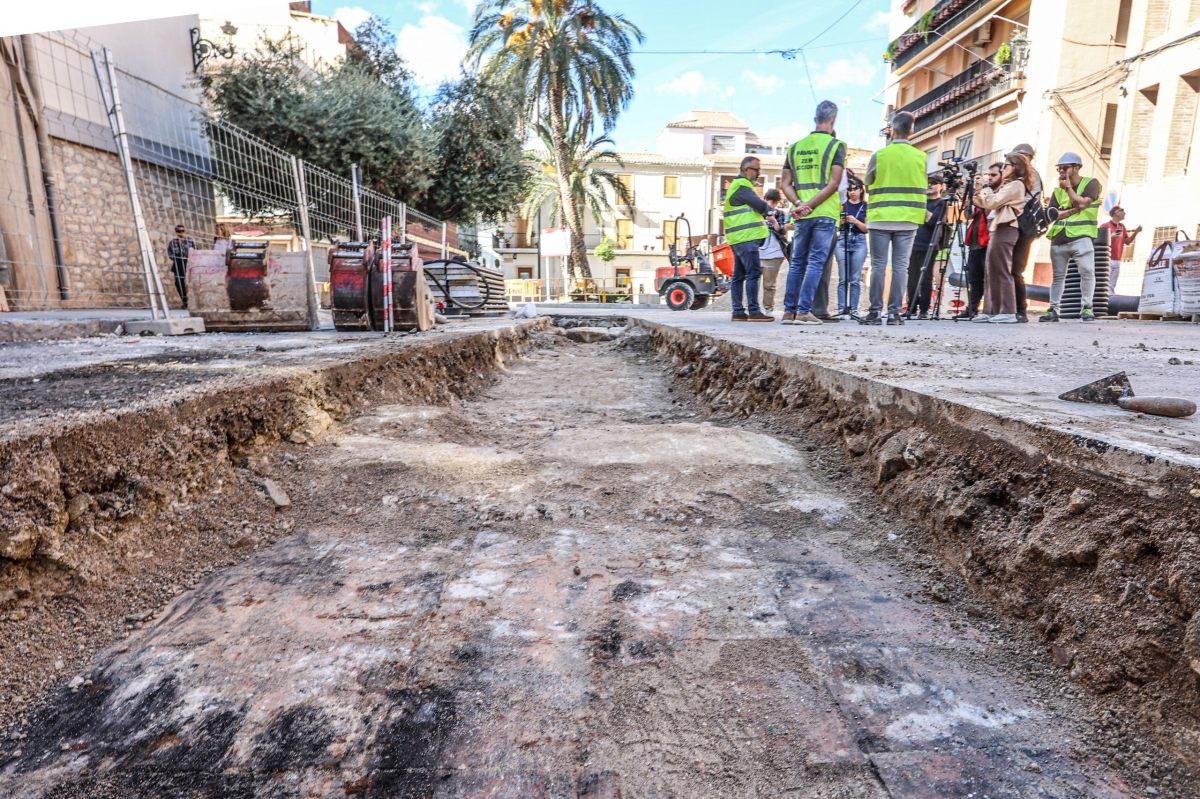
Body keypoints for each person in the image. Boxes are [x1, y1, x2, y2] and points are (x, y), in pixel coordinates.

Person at [780, 100, 846, 326]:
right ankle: (804, 311)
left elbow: (785, 184)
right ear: (833, 120)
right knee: (816, 262)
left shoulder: (795, 147)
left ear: (815, 119)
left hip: (801, 214)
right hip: (824, 213)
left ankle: (789, 312)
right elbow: (834, 183)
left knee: (797, 262)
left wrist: (800, 203)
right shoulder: (836, 146)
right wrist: (812, 205)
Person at [860, 111, 928, 326]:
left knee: (879, 265)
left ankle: (874, 312)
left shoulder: (879, 156)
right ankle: (894, 314)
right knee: (901, 267)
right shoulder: (921, 157)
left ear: (893, 130)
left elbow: (868, 181)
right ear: (912, 130)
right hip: (908, 218)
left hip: (881, 216)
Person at [971, 153, 1033, 324]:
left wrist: (984, 187)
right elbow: (984, 203)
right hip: (999, 228)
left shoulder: (1016, 185)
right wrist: (979, 190)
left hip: (1006, 228)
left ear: (1016, 167)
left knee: (1002, 270)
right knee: (991, 270)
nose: (1003, 168)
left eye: (1007, 165)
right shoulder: (1008, 185)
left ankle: (1007, 310)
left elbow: (992, 203)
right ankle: (991, 310)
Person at [1043, 152, 1101, 322]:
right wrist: (1073, 209)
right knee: (1058, 276)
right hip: (1059, 238)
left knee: (1088, 272)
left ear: (1076, 168)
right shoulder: (1057, 191)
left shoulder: (1090, 183)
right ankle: (1053, 309)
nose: (1062, 171)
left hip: (1081, 237)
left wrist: (1069, 189)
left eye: (1066, 168)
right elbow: (1052, 214)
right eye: (1059, 169)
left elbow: (1083, 203)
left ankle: (1087, 308)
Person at [723, 156, 774, 322]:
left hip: (738, 238)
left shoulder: (737, 186)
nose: (759, 173)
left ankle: (738, 312)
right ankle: (754, 311)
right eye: (756, 170)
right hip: (746, 237)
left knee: (739, 275)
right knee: (753, 273)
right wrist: (768, 209)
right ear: (746, 170)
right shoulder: (742, 185)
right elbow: (760, 206)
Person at [955, 163, 1000, 320]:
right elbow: (968, 215)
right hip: (975, 240)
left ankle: (990, 308)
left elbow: (988, 210)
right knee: (974, 277)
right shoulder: (981, 193)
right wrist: (972, 193)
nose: (989, 178)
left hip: (987, 239)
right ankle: (973, 308)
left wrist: (981, 190)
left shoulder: (995, 193)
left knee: (987, 277)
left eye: (993, 175)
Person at [1006, 143, 1042, 322]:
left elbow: (1025, 200)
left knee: (1016, 269)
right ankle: (1010, 307)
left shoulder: (1031, 176)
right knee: (1008, 268)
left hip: (1024, 226)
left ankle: (1020, 309)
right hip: (1016, 224)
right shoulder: (1014, 179)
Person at [904, 174, 948, 319]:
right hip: (913, 242)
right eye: (928, 183)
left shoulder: (941, 203)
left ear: (942, 186)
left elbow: (932, 221)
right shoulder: (921, 201)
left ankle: (923, 309)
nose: (930, 185)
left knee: (926, 277)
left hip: (929, 244)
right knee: (912, 277)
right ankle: (911, 307)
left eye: (934, 183)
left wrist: (920, 206)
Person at [835, 177, 868, 317]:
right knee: (843, 278)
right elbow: (834, 227)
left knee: (855, 278)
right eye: (850, 189)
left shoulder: (866, 206)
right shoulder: (842, 205)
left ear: (861, 190)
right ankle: (841, 309)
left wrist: (855, 221)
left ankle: (854, 309)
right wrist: (841, 222)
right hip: (843, 239)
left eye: (855, 189)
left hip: (859, 240)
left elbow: (867, 228)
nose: (852, 192)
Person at [759, 188, 790, 312]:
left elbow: (782, 231)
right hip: (757, 252)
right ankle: (753, 308)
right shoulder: (757, 212)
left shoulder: (780, 214)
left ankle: (768, 308)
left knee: (769, 284)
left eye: (774, 203)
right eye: (770, 202)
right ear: (765, 200)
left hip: (774, 253)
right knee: (753, 282)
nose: (771, 205)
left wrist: (774, 221)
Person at [1100, 206, 1142, 293]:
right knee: (1104, 283)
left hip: (1117, 259)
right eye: (1122, 211)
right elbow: (1099, 240)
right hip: (1107, 259)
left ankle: (1110, 301)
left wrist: (1136, 232)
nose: (1124, 213)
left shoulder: (1122, 227)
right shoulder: (1105, 226)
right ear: (1116, 213)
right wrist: (1111, 237)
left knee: (1112, 284)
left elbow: (1127, 242)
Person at [166, 225, 197, 306]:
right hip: (178, 263)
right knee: (178, 283)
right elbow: (170, 253)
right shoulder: (173, 242)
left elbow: (196, 251)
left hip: (188, 263)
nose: (181, 233)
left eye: (182, 231)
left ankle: (192, 300)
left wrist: (189, 256)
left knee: (190, 283)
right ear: (176, 232)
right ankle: (184, 300)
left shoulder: (190, 241)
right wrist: (176, 257)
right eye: (179, 231)